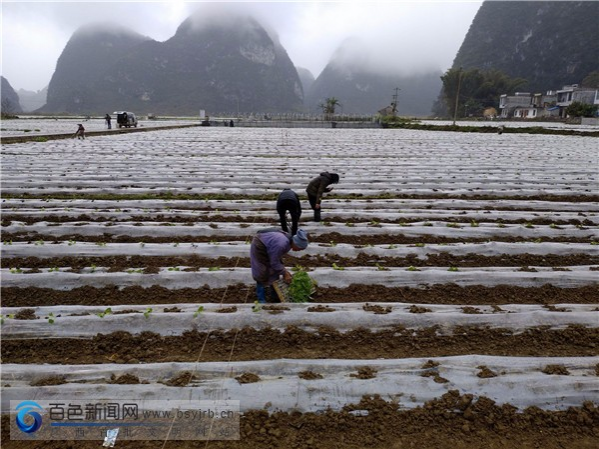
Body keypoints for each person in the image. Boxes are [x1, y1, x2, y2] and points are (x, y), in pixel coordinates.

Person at [250, 227, 308, 303]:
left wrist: (284, 272)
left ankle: (275, 295)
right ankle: (261, 299)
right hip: (260, 244)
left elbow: (276, 258)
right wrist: (284, 272)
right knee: (261, 271)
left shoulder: (288, 242)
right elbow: (274, 262)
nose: (298, 251)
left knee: (275, 271)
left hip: (270, 246)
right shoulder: (281, 244)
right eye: (299, 249)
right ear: (296, 243)